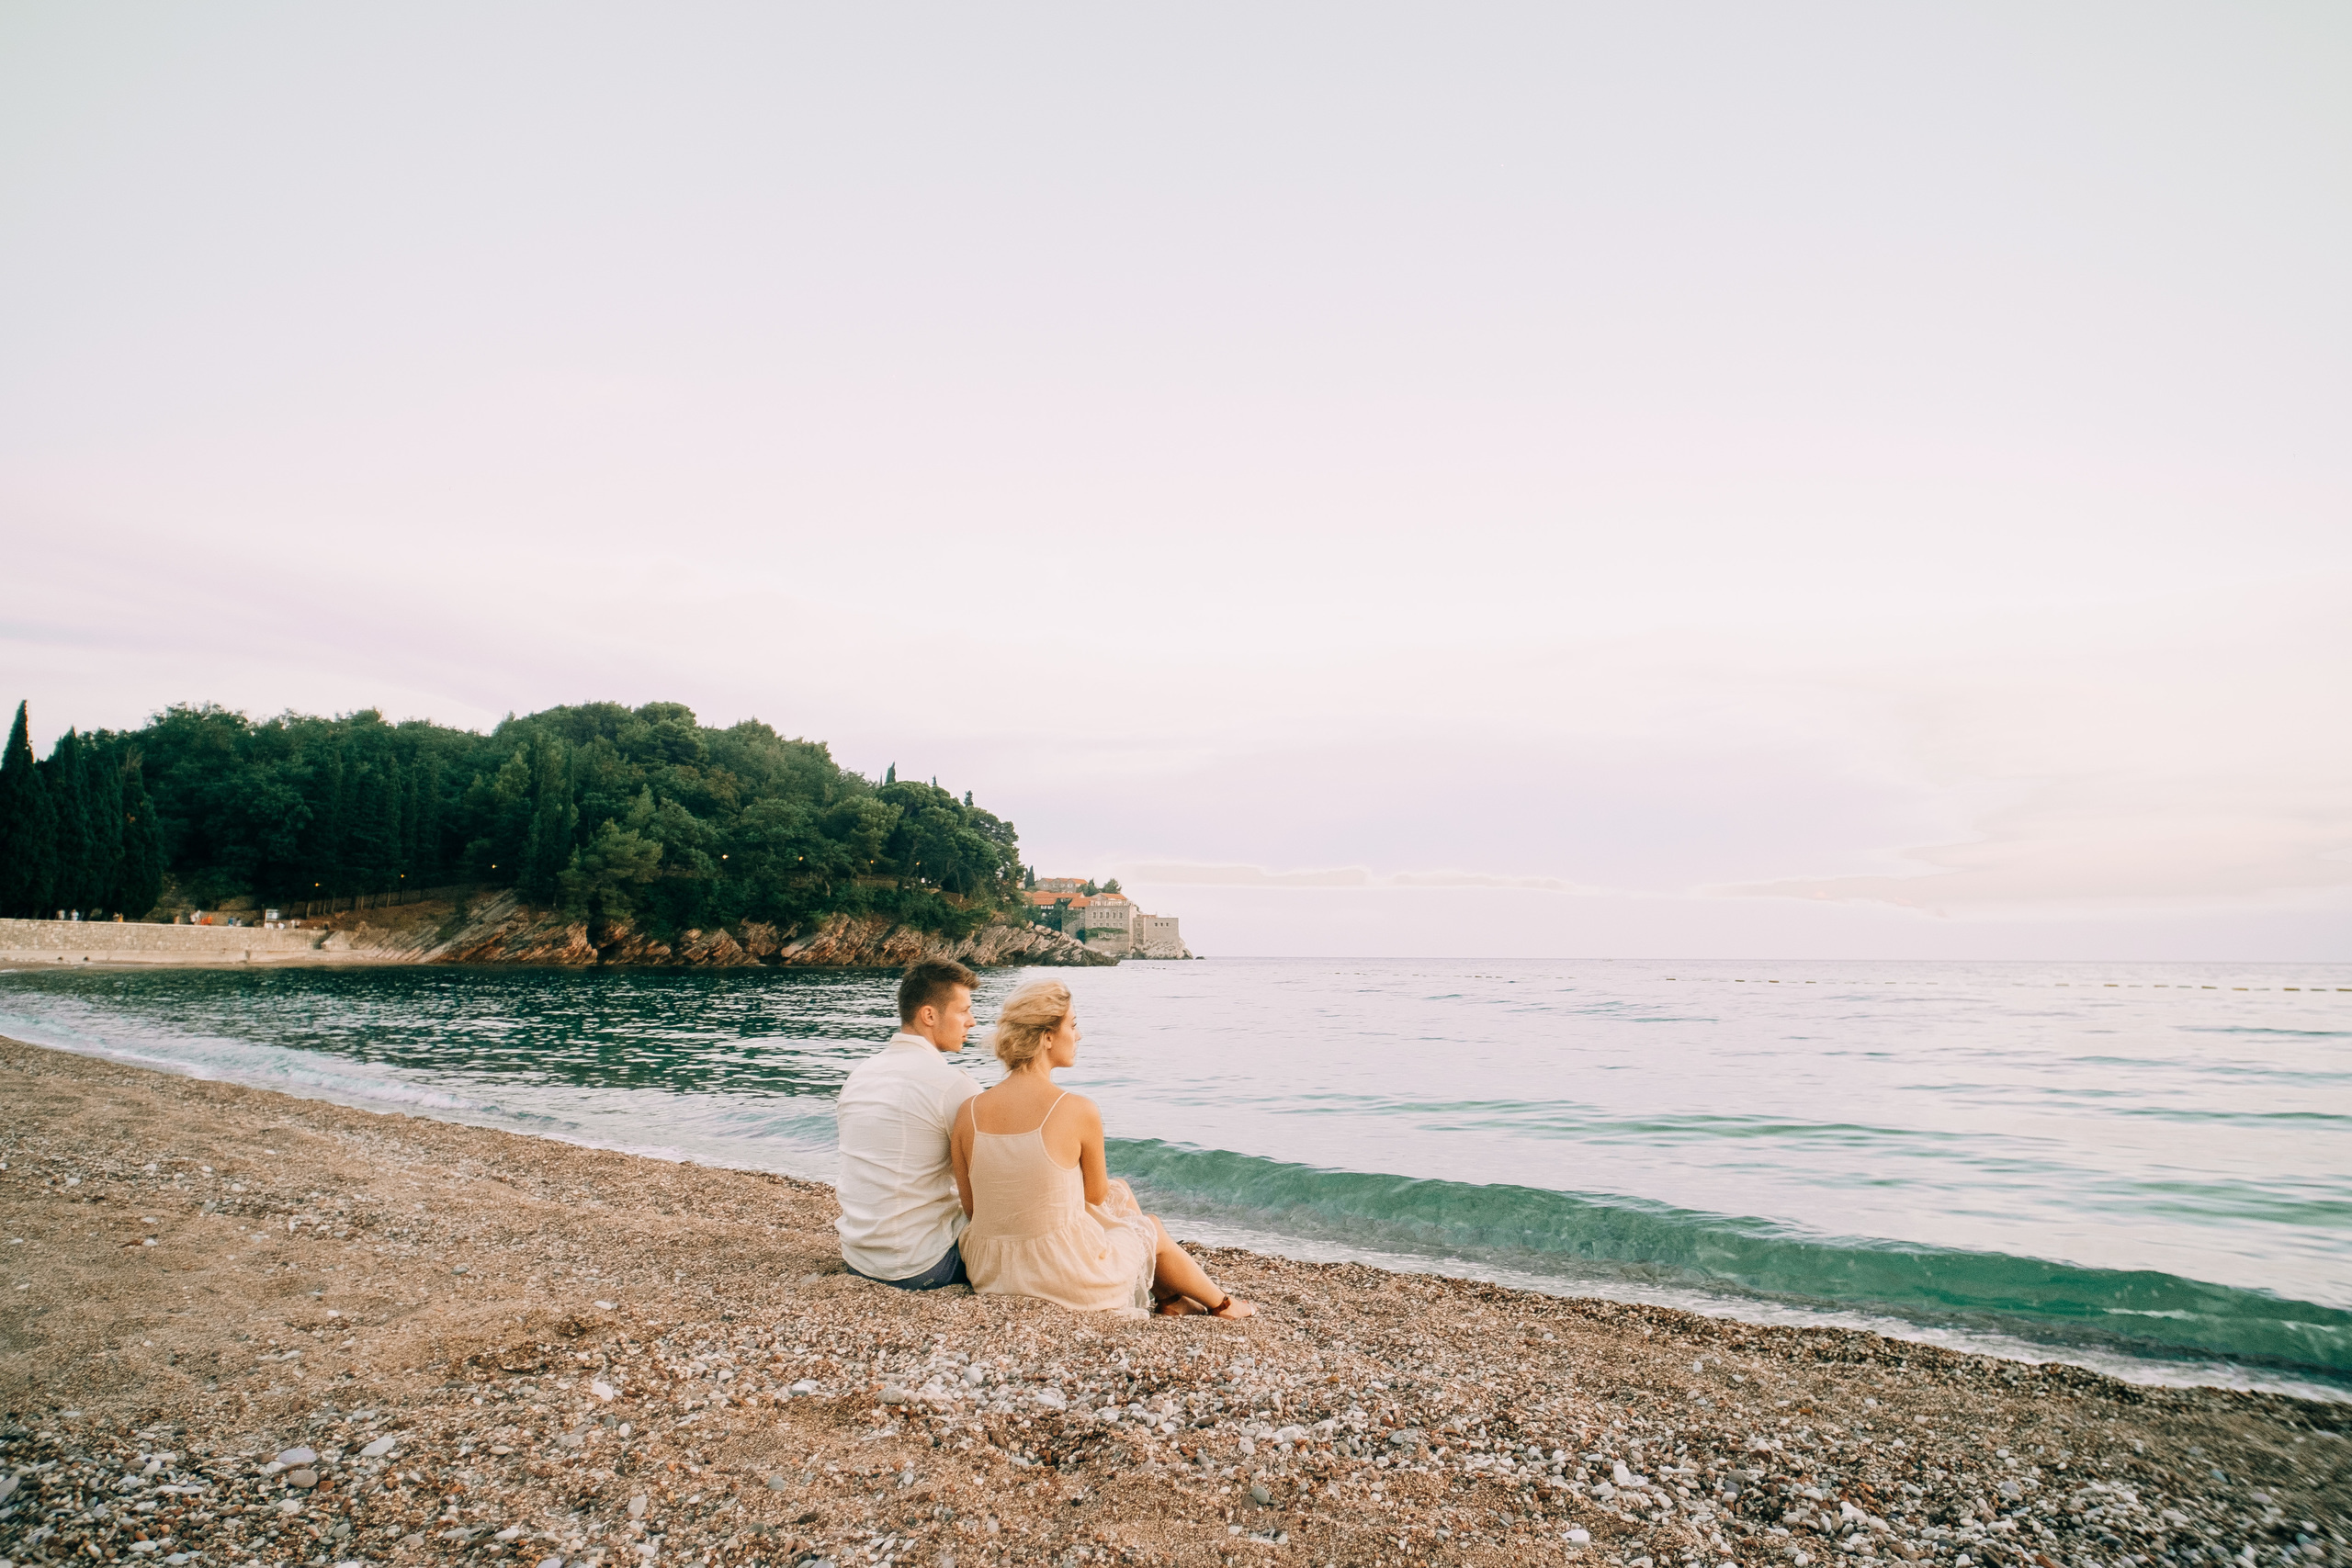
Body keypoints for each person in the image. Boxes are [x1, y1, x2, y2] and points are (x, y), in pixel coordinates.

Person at [952, 978, 1253, 1319]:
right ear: (1047, 1036)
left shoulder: (969, 1111)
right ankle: (1222, 1304)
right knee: (1147, 1225)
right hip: (1061, 1275)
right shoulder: (1076, 1108)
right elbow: (1094, 1195)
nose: (1078, 1036)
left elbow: (974, 1208)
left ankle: (1171, 1299)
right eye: (1073, 1025)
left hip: (991, 1271)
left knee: (1119, 1192)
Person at [834, 958, 984, 1290]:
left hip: (858, 1257)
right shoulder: (953, 1085)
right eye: (963, 1011)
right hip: (921, 1265)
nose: (972, 1022)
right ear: (929, 1015)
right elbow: (985, 1188)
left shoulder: (859, 1076)